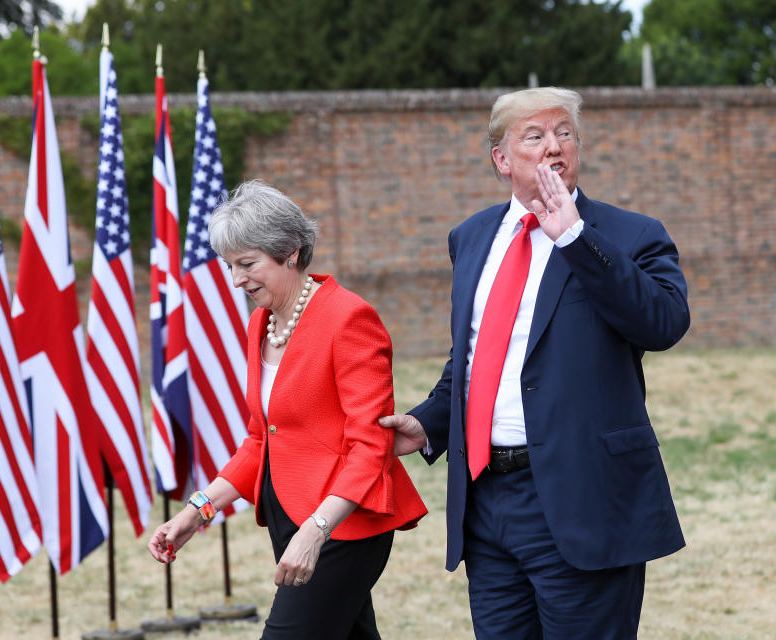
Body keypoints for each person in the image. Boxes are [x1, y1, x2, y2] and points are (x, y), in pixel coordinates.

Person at [381, 87, 690, 639]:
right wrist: (428, 421)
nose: (554, 146)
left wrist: (574, 236)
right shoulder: (472, 237)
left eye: (564, 133)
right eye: (535, 135)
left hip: (582, 498)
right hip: (487, 506)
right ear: (501, 160)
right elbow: (476, 354)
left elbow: (662, 324)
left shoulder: (629, 234)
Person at [148, 180, 427, 640]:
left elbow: (369, 444)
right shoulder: (262, 322)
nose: (237, 280)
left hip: (344, 524)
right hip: (286, 516)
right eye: (230, 266)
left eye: (248, 264)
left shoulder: (349, 318)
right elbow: (262, 439)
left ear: (291, 252)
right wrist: (196, 510)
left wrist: (316, 530)